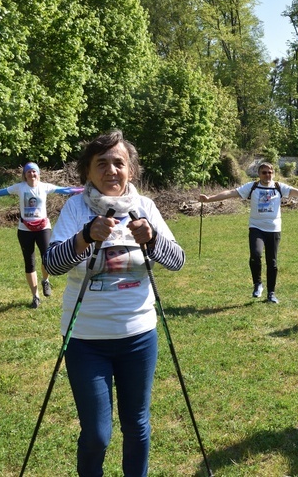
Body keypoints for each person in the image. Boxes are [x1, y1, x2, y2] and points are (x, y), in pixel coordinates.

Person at [43, 130, 185, 476]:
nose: (111, 170)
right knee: (96, 434)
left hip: (138, 336)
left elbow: (177, 260)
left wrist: (151, 239)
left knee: (137, 426)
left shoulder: (145, 207)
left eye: (119, 163)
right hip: (86, 340)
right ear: (88, 172)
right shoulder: (76, 209)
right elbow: (52, 265)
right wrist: (84, 236)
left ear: (130, 171)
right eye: (101, 163)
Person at [198, 162, 298, 304]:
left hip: (274, 229)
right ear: (259, 174)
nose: (267, 175)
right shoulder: (252, 187)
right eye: (264, 172)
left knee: (272, 262)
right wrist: (209, 199)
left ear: (273, 173)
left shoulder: (279, 187)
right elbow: (231, 193)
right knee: (255, 255)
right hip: (256, 227)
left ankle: (271, 294)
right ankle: (258, 284)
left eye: (269, 172)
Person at [0, 162, 82, 308]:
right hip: (25, 230)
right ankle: (35, 296)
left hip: (43, 228)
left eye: (34, 172)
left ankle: (45, 280)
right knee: (29, 263)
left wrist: (85, 189)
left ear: (38, 174)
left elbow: (66, 190)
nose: (32, 174)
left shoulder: (45, 187)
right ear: (25, 174)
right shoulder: (19, 187)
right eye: (28, 172)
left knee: (46, 257)